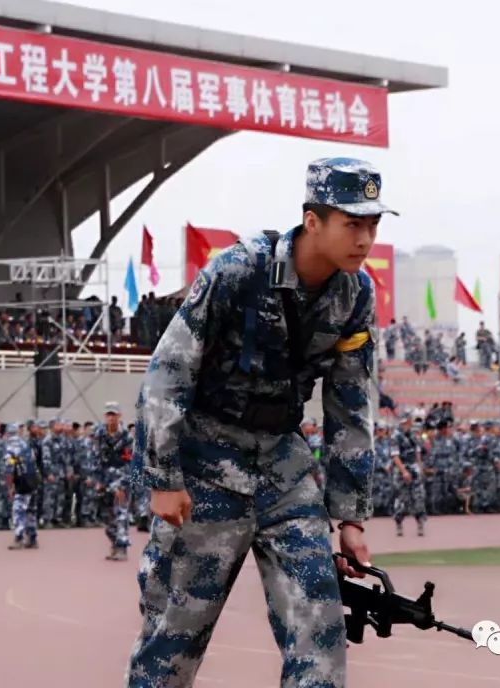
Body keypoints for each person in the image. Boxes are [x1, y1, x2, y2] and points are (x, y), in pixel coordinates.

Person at [127, 156, 386, 688]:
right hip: (204, 465)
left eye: (373, 224)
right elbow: (169, 371)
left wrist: (351, 516)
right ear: (312, 221)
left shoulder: (355, 296)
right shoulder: (239, 270)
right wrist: (163, 478)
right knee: (173, 640)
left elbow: (350, 404)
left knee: (320, 628)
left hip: (283, 470)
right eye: (352, 223)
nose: (365, 238)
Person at [95, 402, 133, 561]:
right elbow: (96, 459)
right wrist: (98, 481)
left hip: (121, 480)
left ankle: (122, 547)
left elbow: (130, 463)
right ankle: (114, 542)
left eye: (114, 414)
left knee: (121, 514)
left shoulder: (127, 437)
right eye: (108, 414)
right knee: (106, 516)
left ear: (119, 416)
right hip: (105, 481)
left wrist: (121, 486)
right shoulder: (99, 434)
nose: (111, 418)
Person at [3, 423, 39, 550]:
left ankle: (18, 538)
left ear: (6, 434)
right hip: (33, 480)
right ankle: (33, 538)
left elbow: (9, 468)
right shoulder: (26, 445)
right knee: (31, 511)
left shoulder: (10, 448)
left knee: (18, 510)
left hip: (21, 483)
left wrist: (10, 487)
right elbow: (34, 462)